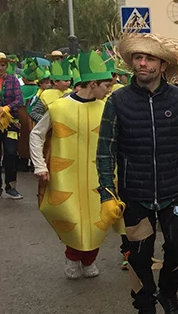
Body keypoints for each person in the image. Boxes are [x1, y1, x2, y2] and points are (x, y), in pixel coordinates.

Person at [96, 33, 178, 314]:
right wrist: (107, 193)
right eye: (137, 58)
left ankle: (170, 293)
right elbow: (105, 150)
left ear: (163, 65)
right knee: (138, 255)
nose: (142, 63)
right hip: (135, 194)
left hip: (177, 192)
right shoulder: (117, 101)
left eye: (149, 58)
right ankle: (146, 308)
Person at [30, 51, 116, 278]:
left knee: (97, 219)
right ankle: (72, 256)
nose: (109, 90)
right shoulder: (58, 108)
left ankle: (89, 260)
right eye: (106, 85)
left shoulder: (106, 108)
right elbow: (36, 135)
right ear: (93, 83)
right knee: (71, 217)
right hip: (64, 174)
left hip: (99, 176)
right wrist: (40, 165)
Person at [0, 51, 25, 199]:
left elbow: (19, 100)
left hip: (11, 122)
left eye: (3, 65)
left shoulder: (13, 80)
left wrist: (6, 108)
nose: (1, 68)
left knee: (10, 153)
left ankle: (11, 186)